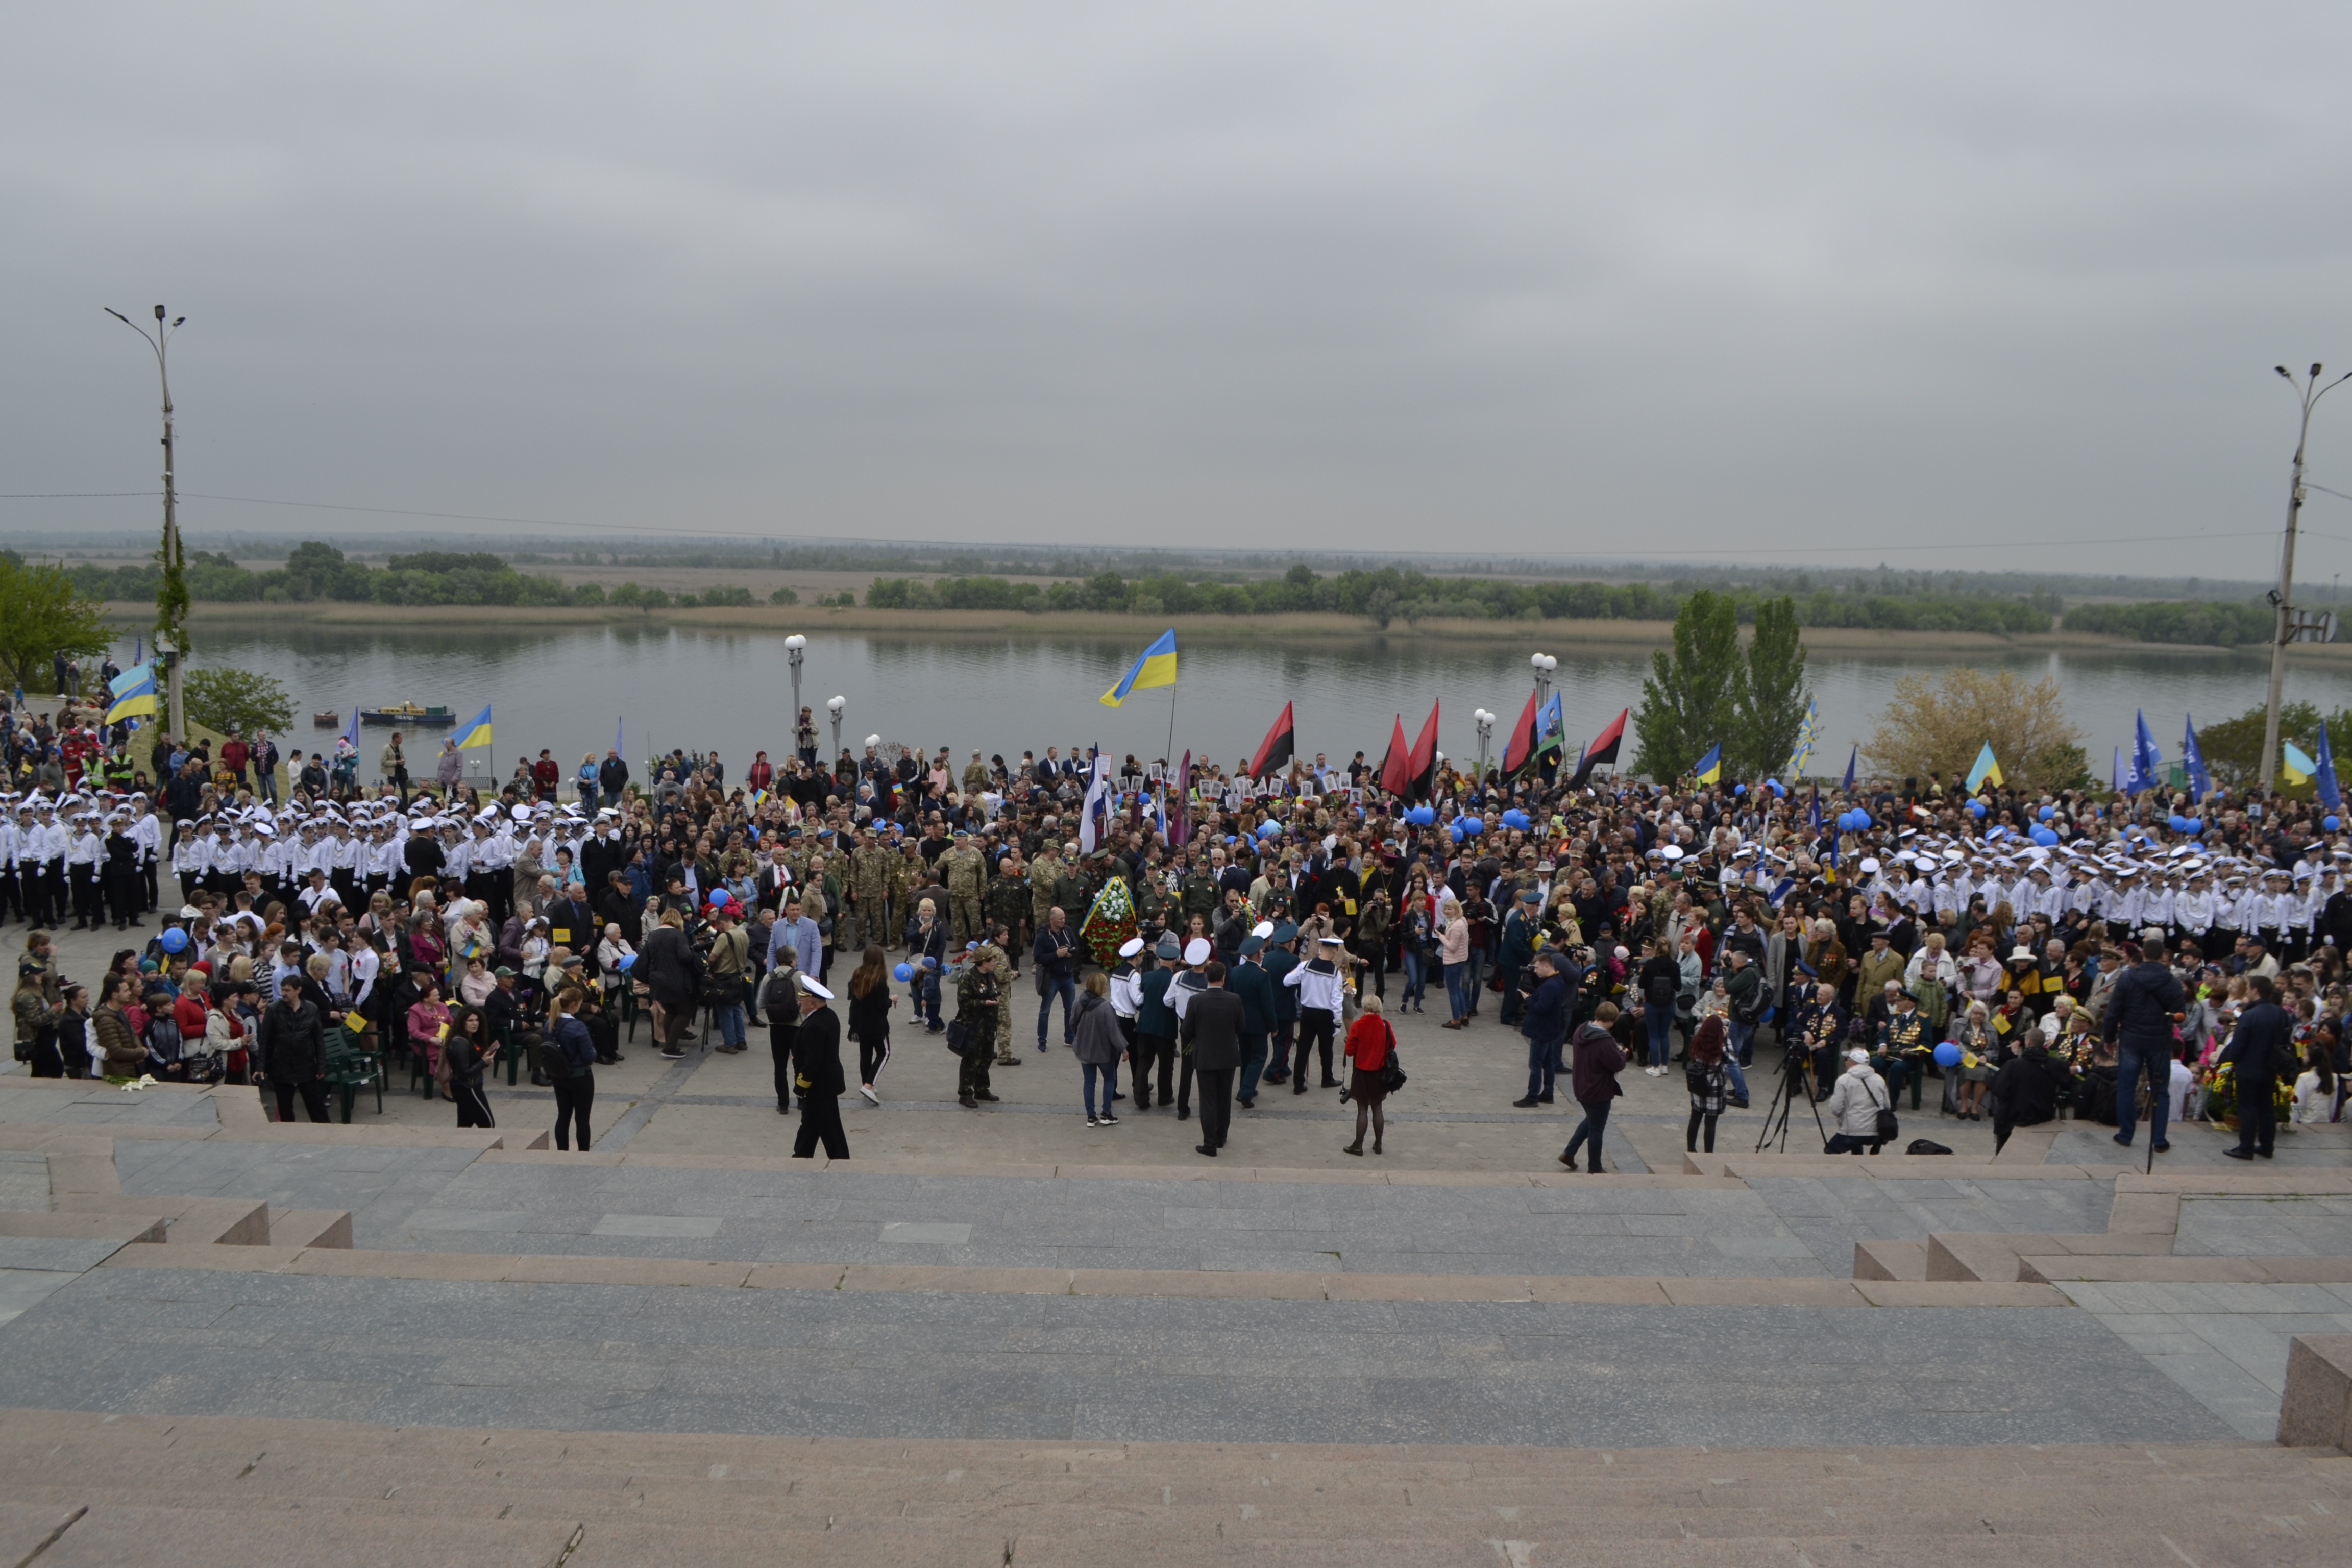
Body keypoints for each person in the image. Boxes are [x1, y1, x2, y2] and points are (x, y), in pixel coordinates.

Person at [2102, 939, 2186, 1153]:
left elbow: (2113, 1012)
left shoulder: (2128, 978)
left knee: (2127, 1087)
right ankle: (2159, 1139)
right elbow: (2179, 1016)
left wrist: (2109, 1038)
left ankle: (2126, 1134)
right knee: (2160, 1091)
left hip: (2131, 1039)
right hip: (2159, 1041)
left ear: (2144, 954)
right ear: (2161, 956)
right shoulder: (2172, 982)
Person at [2221, 974, 2293, 1161]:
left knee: (2248, 1108)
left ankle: (2246, 1147)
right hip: (2271, 1066)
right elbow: (2285, 1039)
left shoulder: (2250, 1016)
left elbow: (2238, 1045)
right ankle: (2267, 1146)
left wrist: (2234, 1059)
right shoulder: (2281, 1013)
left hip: (2249, 1068)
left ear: (2255, 991)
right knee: (2267, 1106)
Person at [1180, 958, 1245, 1157]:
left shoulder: (1196, 1001)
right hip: (1228, 1056)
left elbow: (1186, 1030)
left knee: (1208, 1100)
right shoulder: (1234, 1000)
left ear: (1207, 977)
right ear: (1224, 979)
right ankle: (1221, 1136)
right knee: (1224, 1099)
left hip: (1205, 1057)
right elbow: (1241, 1027)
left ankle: (1209, 1143)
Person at [1558, 1001, 1627, 1173]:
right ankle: (1595, 1168)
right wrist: (1622, 1052)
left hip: (1581, 1086)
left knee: (1591, 1120)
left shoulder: (1581, 1030)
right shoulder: (1604, 1041)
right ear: (1612, 1020)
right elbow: (1617, 1065)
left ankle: (1569, 1153)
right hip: (1599, 1091)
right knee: (1597, 1129)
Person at [255, 975, 329, 1122]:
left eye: (287, 990)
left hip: (305, 1065)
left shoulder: (311, 1009)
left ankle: (326, 1133)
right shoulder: (274, 1009)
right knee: (285, 1109)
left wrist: (321, 1066)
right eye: (282, 990)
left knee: (316, 1107)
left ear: (298, 990)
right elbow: (265, 1040)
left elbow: (318, 1040)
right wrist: (261, 1066)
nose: (283, 993)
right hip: (281, 1065)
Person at [790, 973, 849, 1159]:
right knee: (810, 1125)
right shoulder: (828, 1015)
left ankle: (842, 1162)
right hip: (824, 1084)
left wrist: (801, 1086)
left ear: (813, 1003)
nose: (800, 1003)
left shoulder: (815, 1025)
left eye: (802, 1000)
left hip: (820, 1086)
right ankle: (801, 1157)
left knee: (831, 1129)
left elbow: (813, 1061)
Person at [1988, 1028, 2065, 1153]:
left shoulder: (2013, 1065)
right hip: (2043, 1115)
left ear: (2028, 1043)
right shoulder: (2054, 1065)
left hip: (2012, 1117)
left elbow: (1997, 1088)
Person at [1513, 948, 1570, 1108]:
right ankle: (1548, 1093)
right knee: (1548, 1063)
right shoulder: (1557, 980)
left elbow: (1541, 1008)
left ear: (1546, 966)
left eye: (1537, 968)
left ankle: (1532, 1096)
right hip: (1551, 1029)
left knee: (1535, 1065)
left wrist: (1528, 1000)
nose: (1535, 971)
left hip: (1541, 1030)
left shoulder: (1550, 986)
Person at [1340, 991, 1394, 1155]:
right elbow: (1392, 1045)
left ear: (1365, 1008)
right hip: (1379, 1072)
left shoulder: (1358, 1026)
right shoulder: (1385, 1025)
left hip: (1361, 1072)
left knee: (1362, 1109)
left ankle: (1358, 1145)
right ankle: (1378, 1144)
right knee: (1378, 1108)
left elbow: (1350, 1051)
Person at [546, 984, 597, 1150]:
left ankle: (562, 1152)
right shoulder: (578, 1027)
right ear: (575, 1004)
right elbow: (589, 1055)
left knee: (563, 1116)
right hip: (580, 1077)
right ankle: (583, 1153)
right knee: (582, 1120)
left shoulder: (550, 1023)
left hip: (559, 1076)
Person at [1070, 970, 1124, 1126]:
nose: (1107, 987)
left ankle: (1091, 1116)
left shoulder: (1078, 1002)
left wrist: (1079, 1037)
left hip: (1084, 1050)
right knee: (1109, 1079)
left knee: (1089, 1082)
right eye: (1105, 984)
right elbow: (1114, 1033)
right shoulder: (1106, 1008)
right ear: (1100, 987)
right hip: (1103, 1052)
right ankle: (1106, 1114)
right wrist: (1124, 1049)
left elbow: (1072, 1023)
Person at [845, 943, 892, 1106]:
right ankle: (868, 1085)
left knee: (865, 1054)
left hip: (859, 1023)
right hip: (876, 1024)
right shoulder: (880, 979)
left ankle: (866, 1081)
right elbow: (882, 1005)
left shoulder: (858, 973)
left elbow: (851, 994)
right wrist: (892, 1000)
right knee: (884, 1053)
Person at [955, 947, 1001, 1109]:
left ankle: (982, 1089)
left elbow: (995, 991)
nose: (995, 962)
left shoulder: (990, 975)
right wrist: (984, 1003)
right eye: (993, 960)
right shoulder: (968, 978)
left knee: (986, 1058)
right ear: (984, 963)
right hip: (973, 1027)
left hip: (989, 1026)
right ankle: (965, 1093)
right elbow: (964, 1003)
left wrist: (996, 999)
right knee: (971, 1061)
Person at [1823, 1047, 1891, 1155]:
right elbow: (1887, 1106)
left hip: (1851, 1132)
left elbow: (1835, 1107)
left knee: (1830, 1150)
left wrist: (1845, 1118)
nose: (1846, 1062)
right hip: (1877, 1133)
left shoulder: (1844, 1080)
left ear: (1853, 1062)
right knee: (1856, 1145)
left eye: (1847, 1059)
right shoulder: (1879, 1079)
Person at [439, 1003, 496, 1129]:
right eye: (470, 1021)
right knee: (488, 1125)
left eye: (477, 1020)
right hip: (468, 1088)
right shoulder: (460, 1043)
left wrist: (484, 1061)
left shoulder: (470, 1038)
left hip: (466, 1087)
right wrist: (483, 1062)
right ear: (462, 1023)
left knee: (464, 1126)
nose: (475, 1024)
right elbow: (465, 1072)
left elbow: (472, 1063)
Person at [1033, 905, 1080, 1052]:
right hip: (1052, 977)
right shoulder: (1042, 936)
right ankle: (1042, 1041)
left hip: (1068, 976)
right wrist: (1056, 955)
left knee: (1070, 1009)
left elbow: (1076, 946)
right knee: (1045, 1011)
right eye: (1060, 919)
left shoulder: (1067, 931)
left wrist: (1072, 952)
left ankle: (1070, 1038)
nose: (1063, 921)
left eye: (1064, 918)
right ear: (1052, 920)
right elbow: (1038, 957)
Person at [1685, 1010, 1729, 1154]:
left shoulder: (1697, 1042)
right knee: (1710, 1124)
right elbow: (1732, 1060)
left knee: (1695, 1120)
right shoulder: (1720, 1047)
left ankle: (1691, 1149)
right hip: (1714, 1089)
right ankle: (1708, 1154)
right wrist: (1726, 1039)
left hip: (1699, 1085)